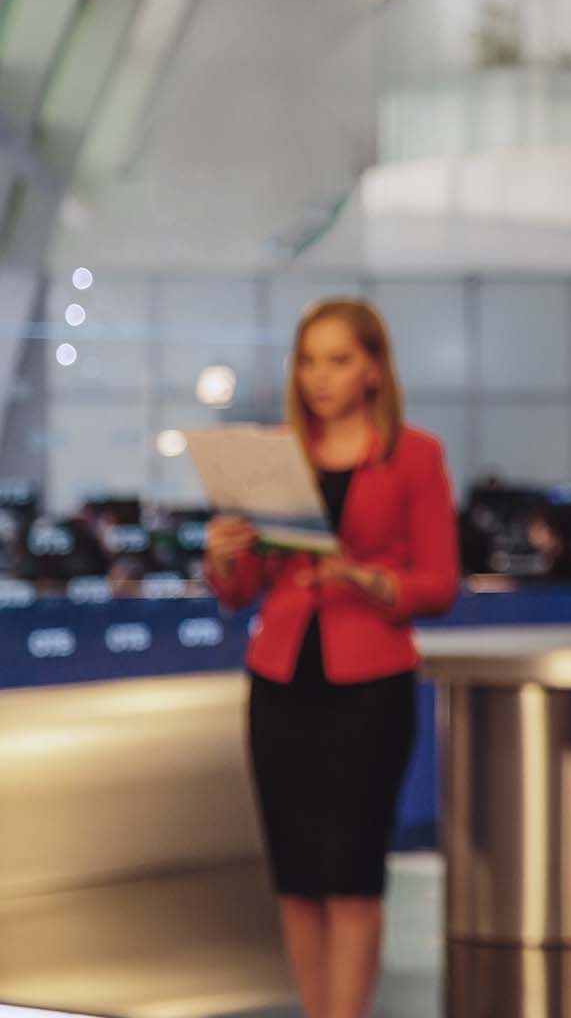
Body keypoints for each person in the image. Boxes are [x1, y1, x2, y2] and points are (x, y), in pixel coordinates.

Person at [205, 300, 458, 1018]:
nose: (319, 377)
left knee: (350, 878)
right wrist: (223, 560)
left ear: (373, 368)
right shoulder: (272, 456)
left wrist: (367, 577)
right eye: (308, 360)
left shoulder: (415, 456)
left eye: (338, 359)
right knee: (297, 881)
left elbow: (440, 584)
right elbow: (241, 592)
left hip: (368, 688)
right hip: (281, 681)